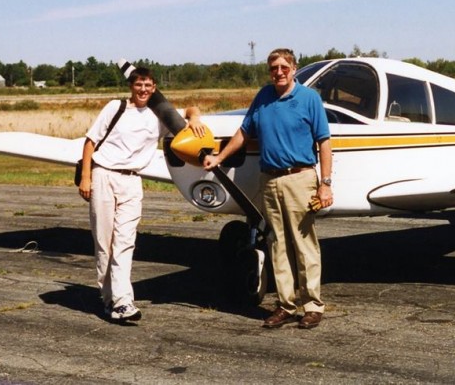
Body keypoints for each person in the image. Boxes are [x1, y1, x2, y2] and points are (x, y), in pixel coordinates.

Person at [203, 48, 333, 329]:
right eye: (274, 68)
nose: (279, 72)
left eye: (284, 67)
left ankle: (312, 305)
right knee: (277, 244)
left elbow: (324, 142)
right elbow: (243, 132)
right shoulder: (263, 96)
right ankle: (286, 305)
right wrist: (219, 157)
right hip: (270, 180)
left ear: (294, 69)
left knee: (304, 244)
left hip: (300, 178)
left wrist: (325, 184)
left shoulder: (309, 99)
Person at [78, 66, 203, 322]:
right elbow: (90, 142)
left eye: (148, 85)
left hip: (133, 180)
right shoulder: (116, 108)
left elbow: (189, 111)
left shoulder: (159, 115)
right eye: (138, 85)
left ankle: (123, 302)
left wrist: (195, 118)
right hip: (104, 174)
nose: (143, 89)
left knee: (125, 240)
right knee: (104, 242)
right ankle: (108, 297)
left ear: (154, 88)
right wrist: (86, 177)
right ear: (131, 87)